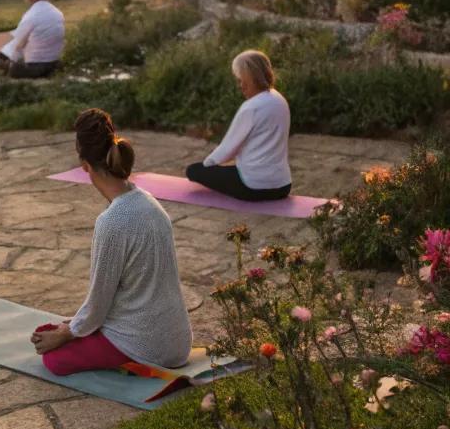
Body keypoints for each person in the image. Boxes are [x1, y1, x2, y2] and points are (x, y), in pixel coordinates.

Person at [31, 108, 192, 376]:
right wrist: (74, 326)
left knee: (53, 359)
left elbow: (99, 300)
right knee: (57, 331)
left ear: (85, 167)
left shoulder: (112, 221)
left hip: (147, 346)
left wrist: (69, 332)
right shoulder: (150, 202)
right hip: (177, 340)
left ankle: (99, 345)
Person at [186, 49, 292, 203]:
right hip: (283, 185)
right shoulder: (279, 100)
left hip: (254, 187)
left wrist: (206, 165)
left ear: (252, 78)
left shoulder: (251, 107)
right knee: (229, 171)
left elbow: (227, 150)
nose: (241, 86)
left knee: (193, 170)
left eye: (242, 80)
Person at [0, 0, 66, 79]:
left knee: (0, 60)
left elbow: (19, 45)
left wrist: (11, 64)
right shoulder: (58, 13)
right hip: (55, 63)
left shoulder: (30, 16)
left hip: (36, 67)